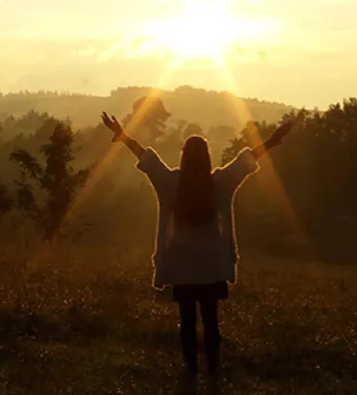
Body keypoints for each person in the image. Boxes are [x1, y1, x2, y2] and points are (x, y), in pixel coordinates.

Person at [101, 104, 293, 374]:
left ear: (183, 157)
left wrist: (121, 135)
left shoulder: (171, 184)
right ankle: (212, 371)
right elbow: (246, 161)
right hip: (212, 264)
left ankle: (191, 372)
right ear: (206, 157)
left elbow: (147, 159)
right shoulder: (219, 183)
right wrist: (272, 141)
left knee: (187, 320)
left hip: (182, 264)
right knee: (211, 320)